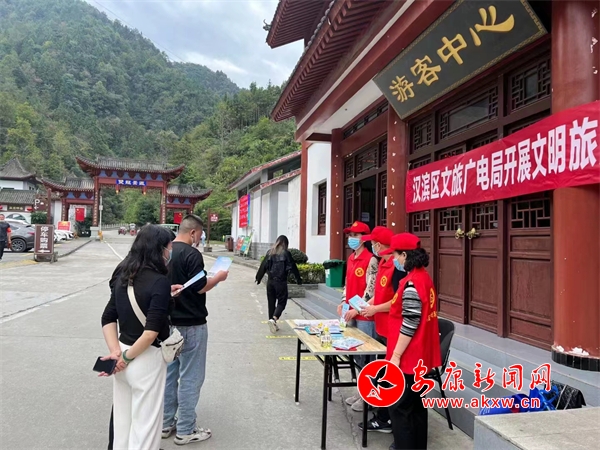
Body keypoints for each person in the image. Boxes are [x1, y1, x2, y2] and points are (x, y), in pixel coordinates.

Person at [100, 224, 176, 450]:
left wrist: (116, 353)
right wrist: (126, 358)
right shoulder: (159, 281)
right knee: (145, 427)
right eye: (169, 247)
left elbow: (107, 317)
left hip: (122, 353)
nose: (170, 251)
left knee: (122, 424)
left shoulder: (123, 276)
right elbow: (151, 332)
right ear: (159, 249)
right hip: (145, 359)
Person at [162, 214, 229, 445]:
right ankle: (185, 429)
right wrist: (218, 277)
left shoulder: (166, 251)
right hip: (192, 323)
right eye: (200, 234)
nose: (200, 238)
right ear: (193, 232)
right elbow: (200, 287)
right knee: (191, 377)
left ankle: (165, 423)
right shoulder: (192, 254)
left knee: (170, 375)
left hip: (169, 324)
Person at [382, 233, 441, 450]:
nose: (394, 260)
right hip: (421, 356)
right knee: (416, 407)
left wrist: (396, 356)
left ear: (405, 255)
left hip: (409, 357)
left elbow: (410, 322)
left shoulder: (411, 284)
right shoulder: (424, 278)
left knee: (400, 408)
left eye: (395, 255)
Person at [356, 225, 396, 429]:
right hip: (381, 327)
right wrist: (366, 306)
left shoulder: (396, 268)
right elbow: (378, 295)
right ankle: (380, 411)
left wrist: (375, 308)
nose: (372, 246)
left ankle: (385, 419)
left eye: (372, 243)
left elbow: (397, 301)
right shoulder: (382, 264)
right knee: (381, 372)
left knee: (388, 375)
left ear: (379, 245)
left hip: (391, 330)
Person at [336, 221, 378, 412]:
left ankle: (368, 396)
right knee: (356, 355)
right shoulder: (351, 257)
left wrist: (357, 309)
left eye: (355, 235)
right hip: (350, 312)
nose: (351, 238)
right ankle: (361, 391)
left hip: (365, 316)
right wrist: (343, 303)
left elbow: (370, 291)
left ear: (364, 238)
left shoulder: (371, 260)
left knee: (367, 357)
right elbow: (347, 284)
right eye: (350, 235)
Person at [256, 235, 302, 333]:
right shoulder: (286, 253)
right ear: (286, 244)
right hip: (281, 282)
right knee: (282, 302)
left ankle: (272, 323)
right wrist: (298, 279)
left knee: (271, 303)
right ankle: (274, 319)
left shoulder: (270, 252)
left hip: (270, 282)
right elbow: (293, 267)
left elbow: (263, 266)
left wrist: (258, 278)